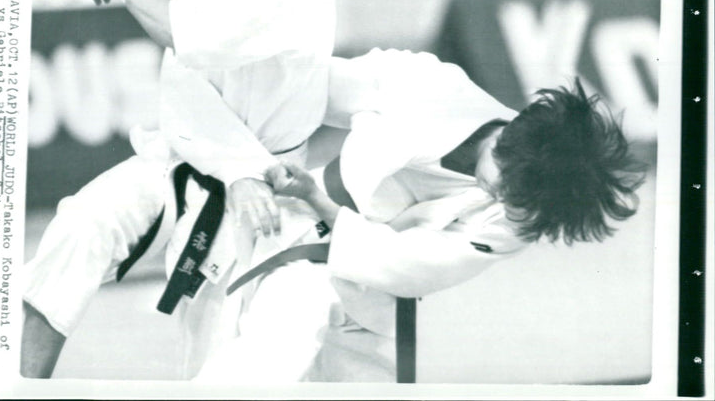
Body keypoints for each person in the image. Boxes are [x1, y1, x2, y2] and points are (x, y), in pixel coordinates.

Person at [20, 0, 336, 379]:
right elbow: (180, 84)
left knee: (216, 364)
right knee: (79, 226)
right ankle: (18, 388)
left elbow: (199, 39)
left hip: (272, 187)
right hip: (185, 164)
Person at [196, 48, 644, 382]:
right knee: (273, 355)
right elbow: (303, 90)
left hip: (374, 291)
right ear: (512, 137)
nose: (502, 196)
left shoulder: (518, 217)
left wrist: (321, 201)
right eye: (507, 179)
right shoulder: (429, 85)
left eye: (518, 199)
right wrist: (245, 165)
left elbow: (412, 268)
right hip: (288, 232)